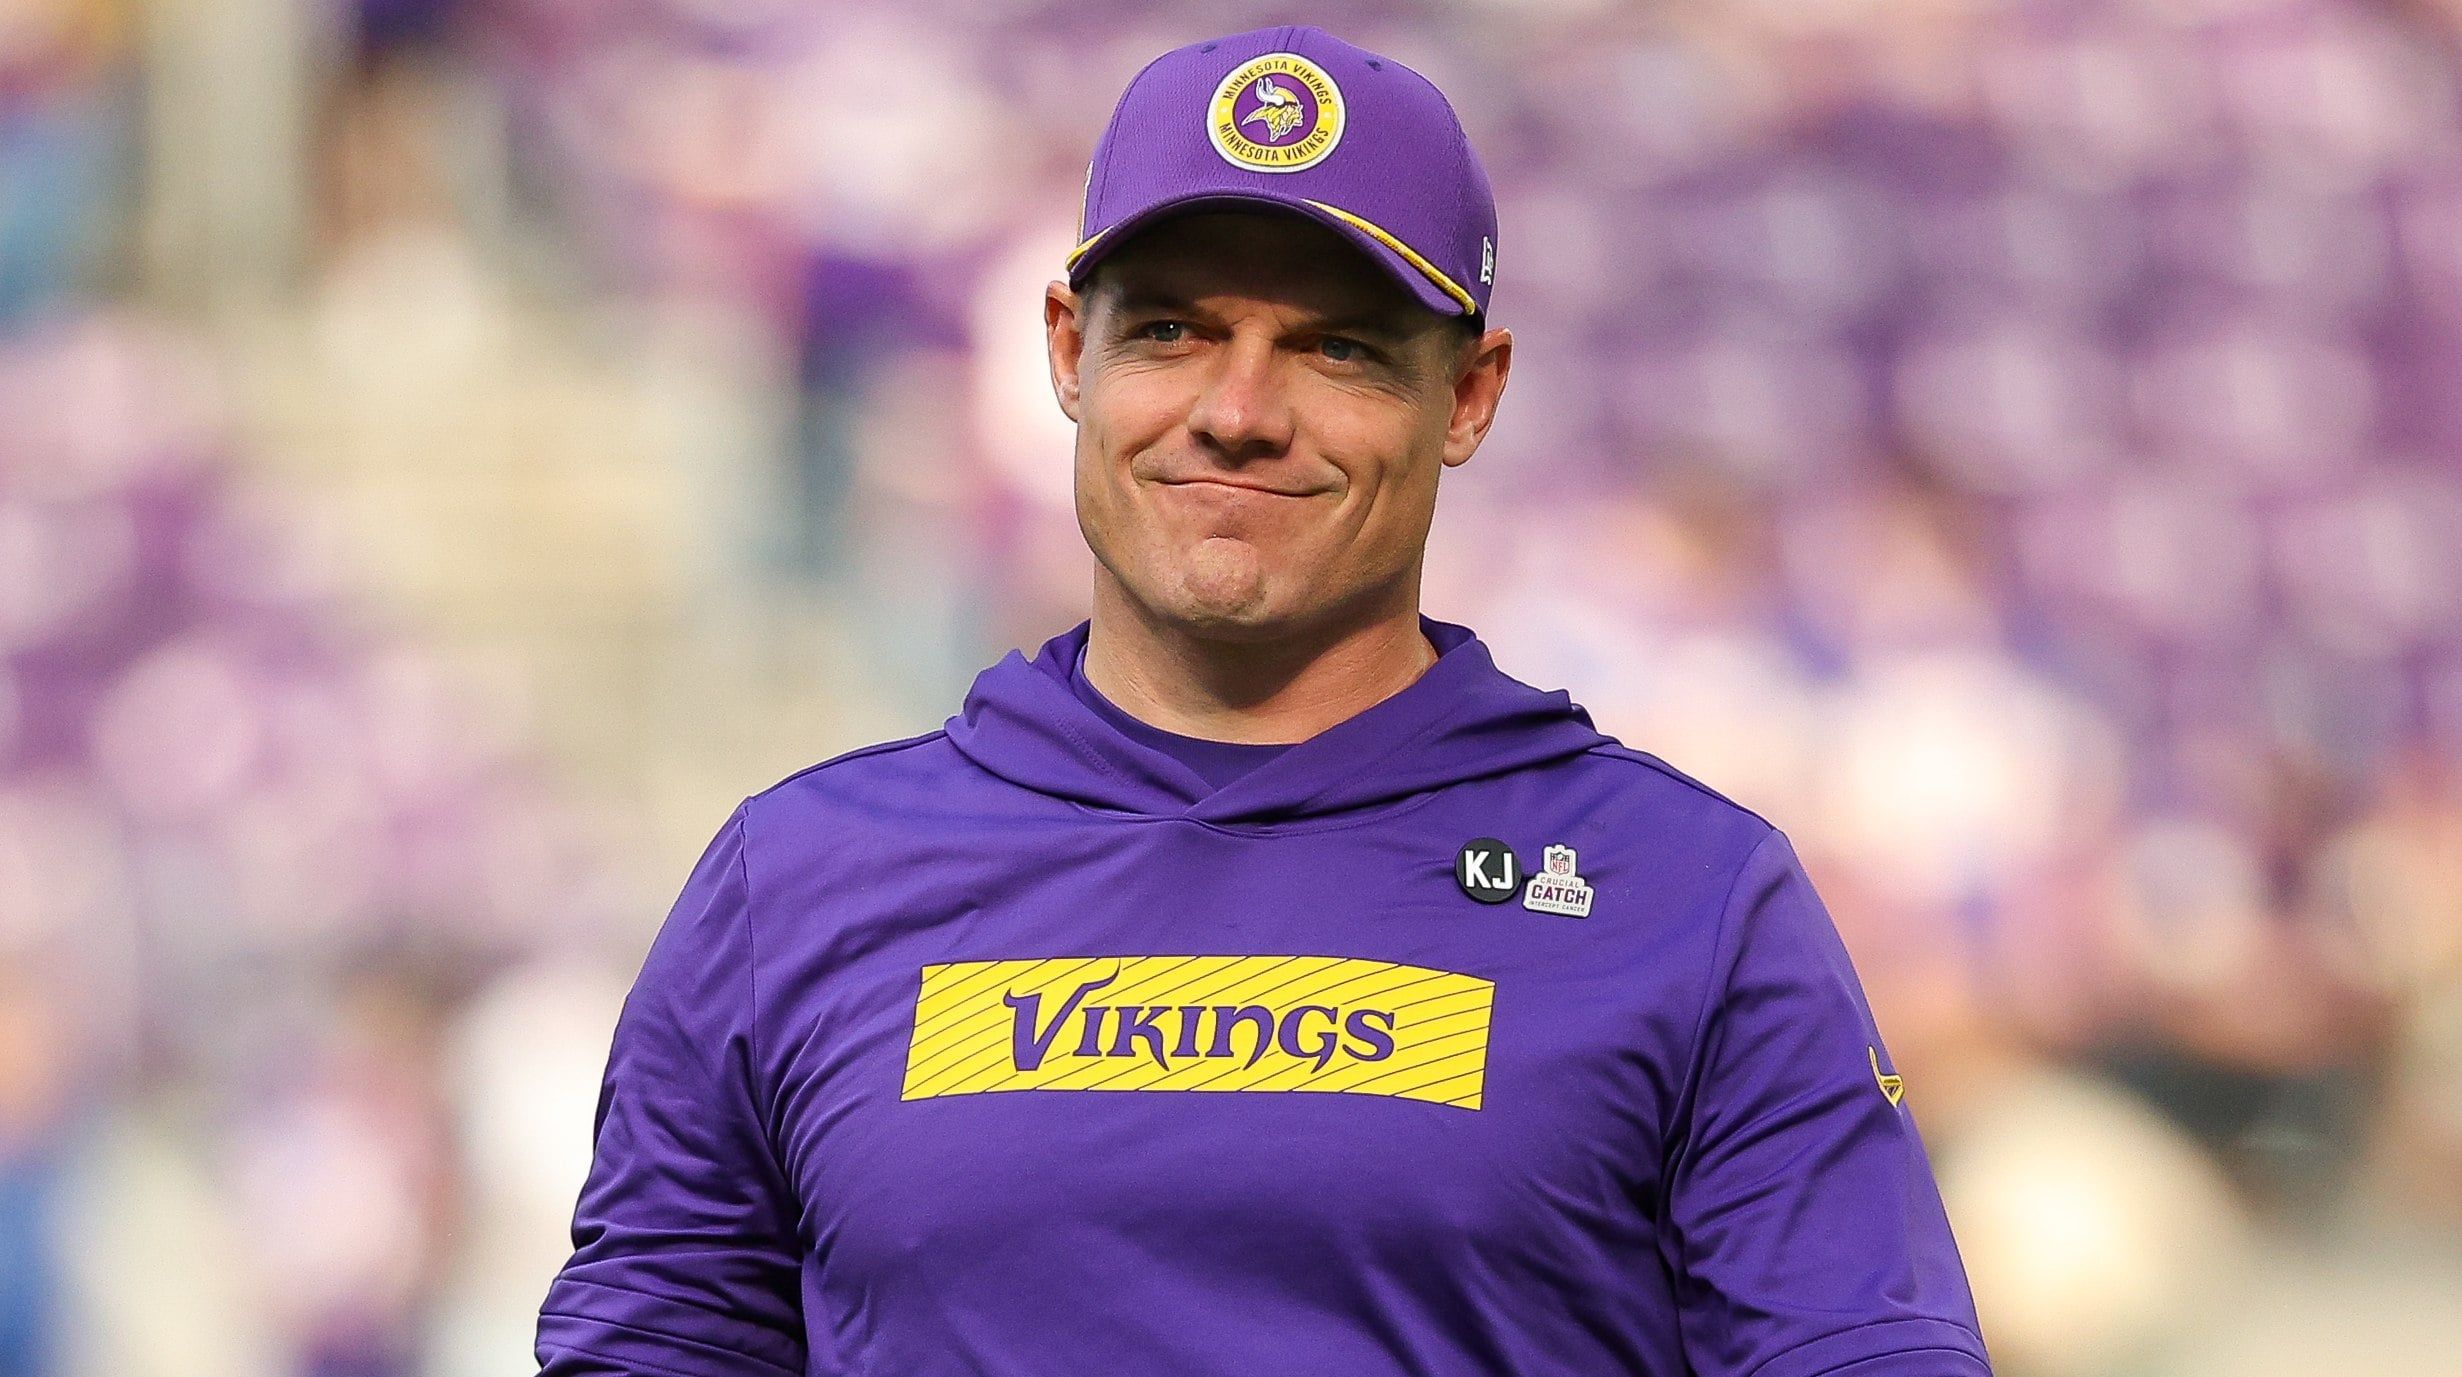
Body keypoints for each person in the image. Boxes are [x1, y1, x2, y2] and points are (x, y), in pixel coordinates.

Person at [535, 24, 1993, 1377]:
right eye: (1172, 331)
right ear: (1067, 351)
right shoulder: (795, 883)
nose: (1238, 410)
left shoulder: (1686, 898)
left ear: (1470, 395)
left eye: (1336, 346)